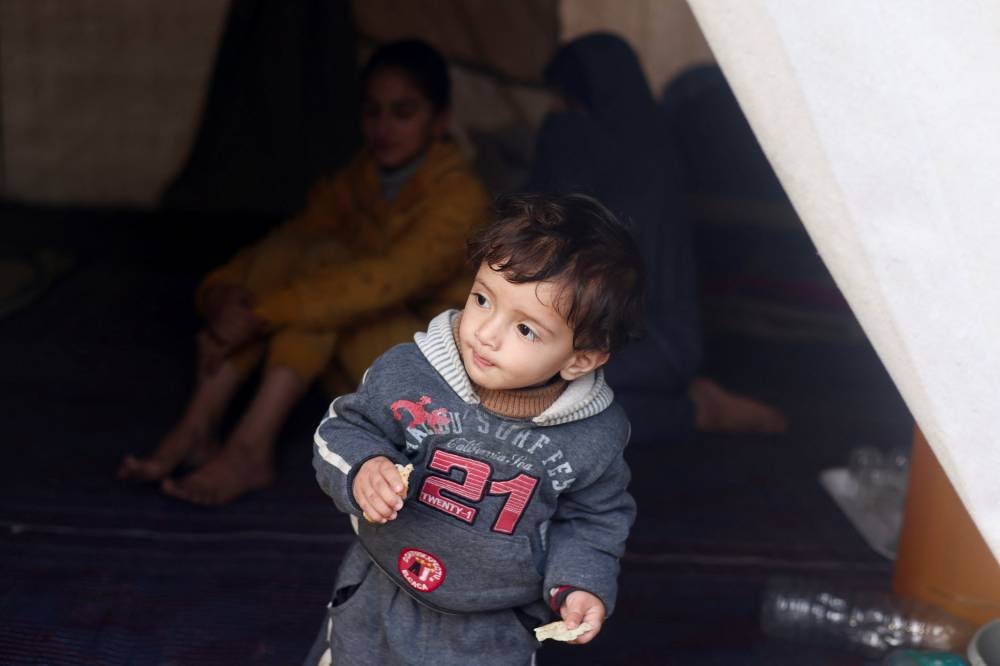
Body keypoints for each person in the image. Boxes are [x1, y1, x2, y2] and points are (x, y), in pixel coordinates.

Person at [118, 40, 490, 505]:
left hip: (435, 376)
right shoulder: (362, 177)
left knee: (324, 285)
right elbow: (290, 239)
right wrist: (222, 295)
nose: (383, 128)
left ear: (439, 120)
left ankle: (242, 444)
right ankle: (200, 425)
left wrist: (261, 314)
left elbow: (387, 280)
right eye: (372, 112)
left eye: (403, 112)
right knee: (306, 255)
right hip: (364, 348)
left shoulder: (460, 195)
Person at [305, 194, 642, 666]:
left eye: (526, 330)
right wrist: (364, 468)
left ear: (580, 358)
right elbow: (341, 430)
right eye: (482, 299)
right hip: (380, 592)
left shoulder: (595, 436)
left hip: (493, 627)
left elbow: (594, 520)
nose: (486, 332)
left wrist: (581, 584)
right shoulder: (409, 373)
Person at [527, 33, 787, 445]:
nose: (555, 115)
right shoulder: (617, 152)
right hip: (603, 343)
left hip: (654, 344)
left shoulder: (635, 172)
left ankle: (693, 411)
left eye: (567, 104)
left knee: (545, 410)